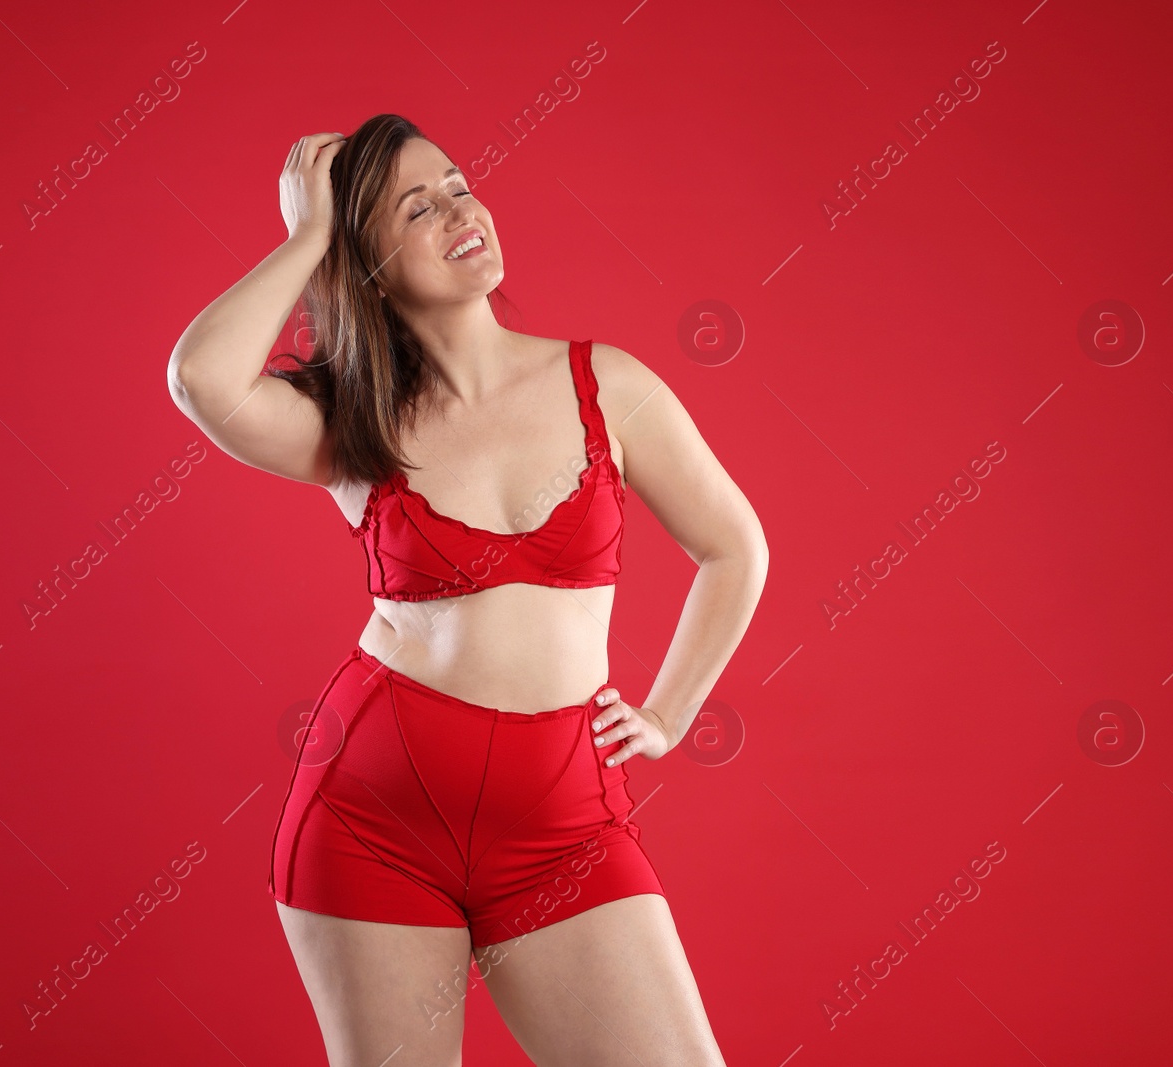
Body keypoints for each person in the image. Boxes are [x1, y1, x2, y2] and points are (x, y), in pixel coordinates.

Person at [168, 113, 766, 1067]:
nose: (459, 210)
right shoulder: (347, 427)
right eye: (416, 207)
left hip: (565, 826)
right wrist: (307, 236)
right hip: (373, 824)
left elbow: (736, 547)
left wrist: (669, 713)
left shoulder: (606, 384)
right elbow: (200, 377)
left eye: (457, 184)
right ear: (366, 264)